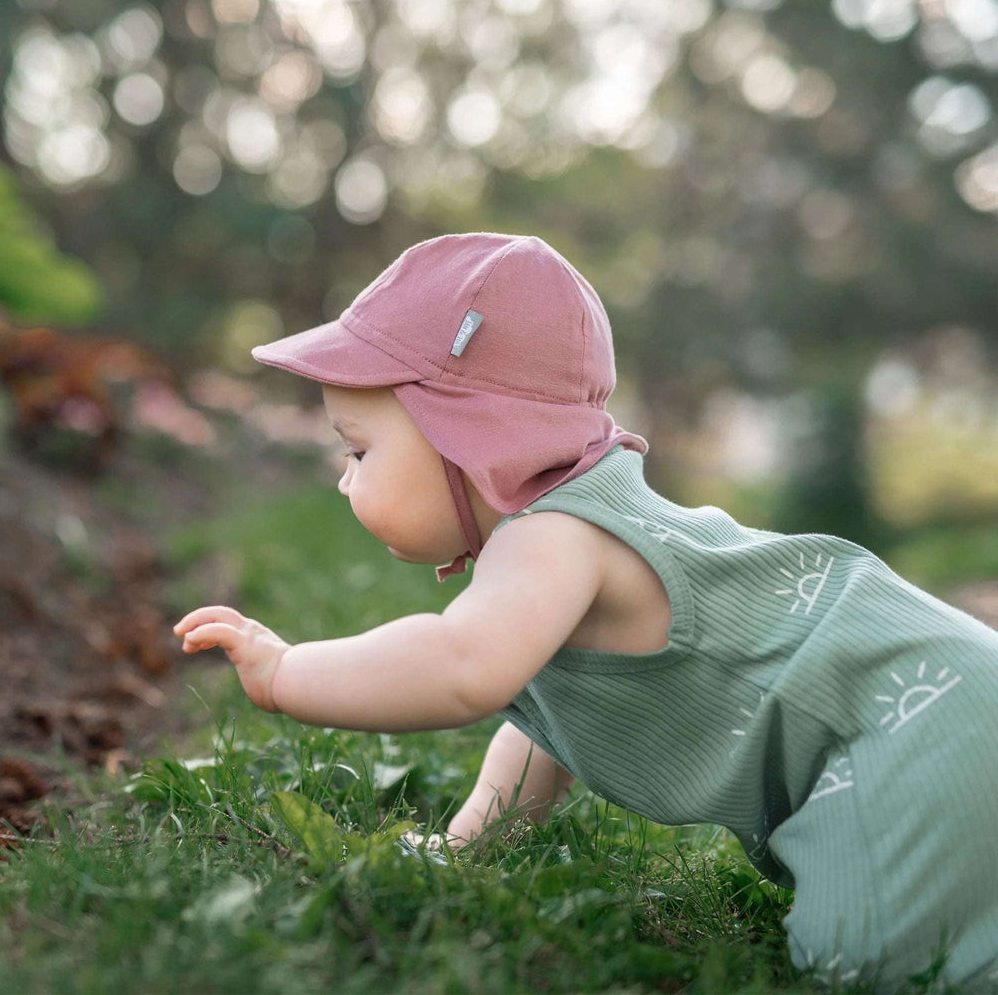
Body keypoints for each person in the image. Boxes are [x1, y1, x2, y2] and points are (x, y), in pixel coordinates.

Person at [174, 233, 998, 990]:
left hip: (913, 729)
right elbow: (544, 723)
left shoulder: (557, 534)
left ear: (469, 435)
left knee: (874, 962)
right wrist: (472, 846)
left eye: (359, 451)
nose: (346, 478)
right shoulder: (571, 526)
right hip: (935, 692)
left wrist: (287, 672)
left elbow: (463, 668)